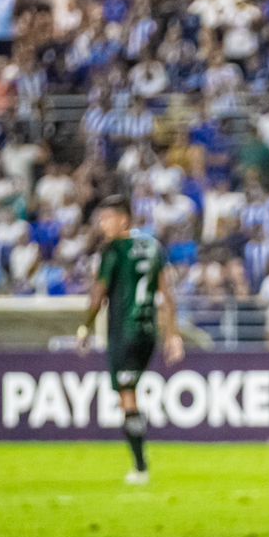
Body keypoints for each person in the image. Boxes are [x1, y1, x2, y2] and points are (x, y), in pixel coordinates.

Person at [76, 196, 185, 485]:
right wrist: (172, 335)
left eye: (107, 219)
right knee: (130, 392)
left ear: (123, 219)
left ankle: (140, 467)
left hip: (125, 331)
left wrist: (85, 328)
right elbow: (167, 295)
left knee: (127, 396)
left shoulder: (113, 250)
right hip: (149, 333)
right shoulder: (153, 246)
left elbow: (98, 296)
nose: (102, 225)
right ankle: (140, 461)